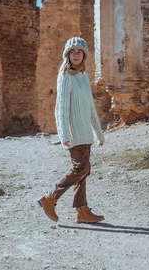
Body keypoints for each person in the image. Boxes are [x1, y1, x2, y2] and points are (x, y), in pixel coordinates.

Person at [38, 37, 106, 223]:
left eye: (79, 51)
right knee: (80, 168)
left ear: (84, 55)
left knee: (84, 171)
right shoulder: (65, 75)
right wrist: (64, 134)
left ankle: (82, 211)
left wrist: (98, 133)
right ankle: (50, 198)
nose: (76, 55)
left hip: (85, 133)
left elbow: (91, 106)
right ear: (67, 55)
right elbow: (61, 107)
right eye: (73, 52)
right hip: (74, 132)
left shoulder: (83, 76)